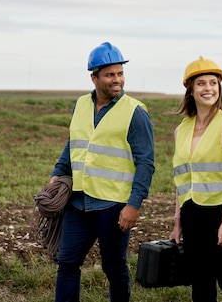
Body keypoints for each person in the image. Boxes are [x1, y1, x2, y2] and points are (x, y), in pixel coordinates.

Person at [49, 41, 155, 302]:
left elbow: (146, 162)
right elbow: (73, 144)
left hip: (113, 205)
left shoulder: (135, 112)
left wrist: (133, 205)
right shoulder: (81, 104)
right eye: (110, 75)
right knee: (67, 264)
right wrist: (57, 174)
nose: (116, 80)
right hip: (78, 202)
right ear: (94, 77)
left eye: (120, 74)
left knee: (114, 267)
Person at [169, 56, 222, 302]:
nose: (208, 88)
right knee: (201, 284)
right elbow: (181, 180)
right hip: (192, 214)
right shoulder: (181, 129)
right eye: (201, 84)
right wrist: (178, 223)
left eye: (213, 83)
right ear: (190, 90)